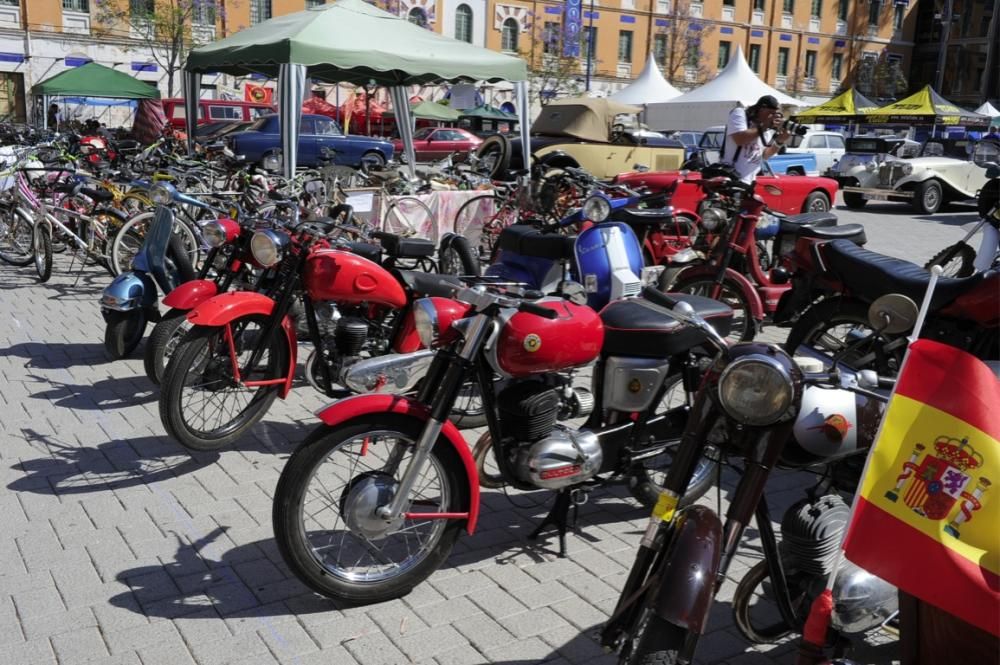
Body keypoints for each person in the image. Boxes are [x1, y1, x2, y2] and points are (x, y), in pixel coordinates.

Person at [721, 94, 791, 183]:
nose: (773, 117)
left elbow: (765, 155)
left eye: (775, 114)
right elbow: (739, 139)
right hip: (730, 178)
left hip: (750, 180)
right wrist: (765, 126)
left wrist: (779, 142)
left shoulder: (767, 127)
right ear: (761, 109)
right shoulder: (740, 113)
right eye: (771, 113)